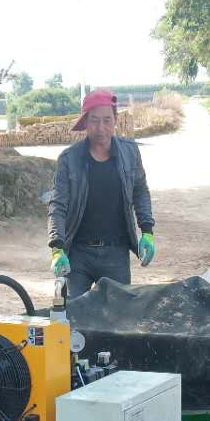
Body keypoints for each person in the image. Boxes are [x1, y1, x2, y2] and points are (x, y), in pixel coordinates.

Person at [46, 89, 155, 300]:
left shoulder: (130, 153)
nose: (101, 128)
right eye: (94, 120)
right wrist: (57, 248)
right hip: (78, 255)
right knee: (72, 316)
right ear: (85, 122)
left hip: (116, 254)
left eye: (107, 120)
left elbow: (140, 192)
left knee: (118, 319)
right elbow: (57, 205)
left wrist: (147, 231)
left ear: (115, 120)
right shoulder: (69, 159)